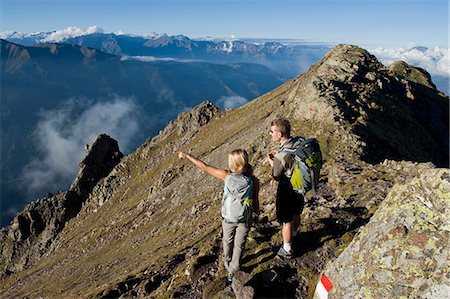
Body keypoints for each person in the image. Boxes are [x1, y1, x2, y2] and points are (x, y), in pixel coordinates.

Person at [178, 149, 260, 282]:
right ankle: (234, 269)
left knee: (227, 241)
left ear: (233, 164)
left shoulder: (226, 176)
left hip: (228, 219)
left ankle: (227, 262)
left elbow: (204, 167)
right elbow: (255, 200)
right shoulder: (253, 180)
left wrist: (187, 156)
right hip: (245, 219)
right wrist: (257, 215)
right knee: (240, 244)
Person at [267, 117, 304, 259]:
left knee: (286, 219)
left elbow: (276, 175)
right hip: (300, 185)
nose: (270, 134)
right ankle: (294, 235)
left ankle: (287, 249)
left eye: (272, 131)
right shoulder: (299, 141)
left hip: (287, 188)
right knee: (297, 212)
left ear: (279, 134)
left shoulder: (281, 156)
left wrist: (273, 161)